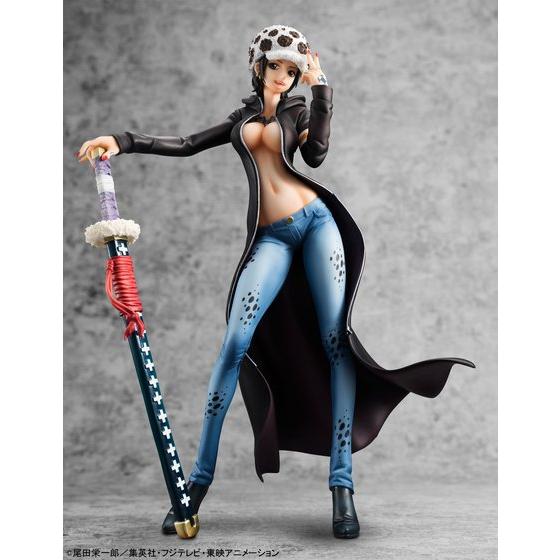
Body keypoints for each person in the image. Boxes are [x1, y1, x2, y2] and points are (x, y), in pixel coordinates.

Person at [76, 24, 474, 540]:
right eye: (277, 67)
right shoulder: (241, 120)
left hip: (318, 226)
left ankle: (342, 485)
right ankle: (195, 485)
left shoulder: (298, 112)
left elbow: (317, 154)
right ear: (259, 66)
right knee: (234, 345)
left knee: (335, 342)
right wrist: (123, 142)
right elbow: (187, 144)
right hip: (271, 239)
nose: (285, 76)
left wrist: (321, 87)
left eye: (292, 70)